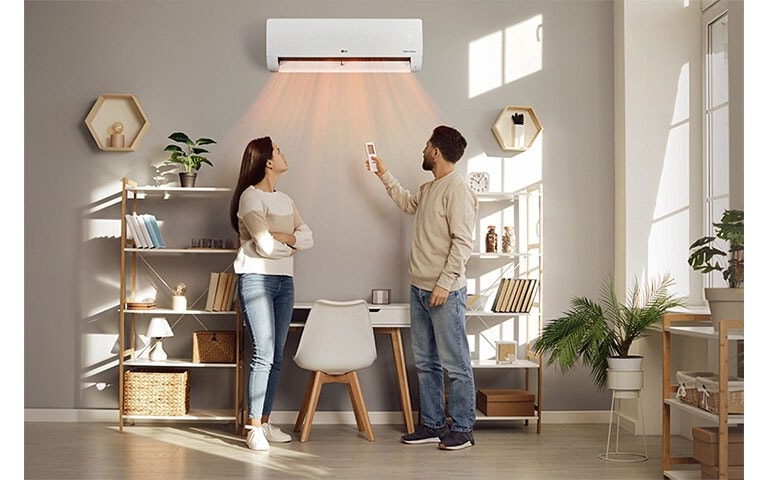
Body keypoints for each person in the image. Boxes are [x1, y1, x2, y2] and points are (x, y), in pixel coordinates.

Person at [368, 125, 479, 451]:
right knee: (426, 361)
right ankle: (432, 424)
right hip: (419, 287)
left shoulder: (457, 191)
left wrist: (444, 284)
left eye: (427, 144)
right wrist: (383, 173)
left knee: (456, 363)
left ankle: (462, 428)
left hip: (445, 291)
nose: (423, 149)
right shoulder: (431, 189)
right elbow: (406, 203)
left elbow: (463, 243)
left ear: (437, 151)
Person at [229, 137, 314, 451]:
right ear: (267, 161)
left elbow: (308, 238)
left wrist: (282, 237)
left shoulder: (286, 200)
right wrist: (288, 244)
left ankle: (264, 421)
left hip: (284, 283)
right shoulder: (250, 199)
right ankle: (252, 427)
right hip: (256, 280)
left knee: (276, 356)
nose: (282, 152)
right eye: (278, 150)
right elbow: (263, 246)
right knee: (262, 355)